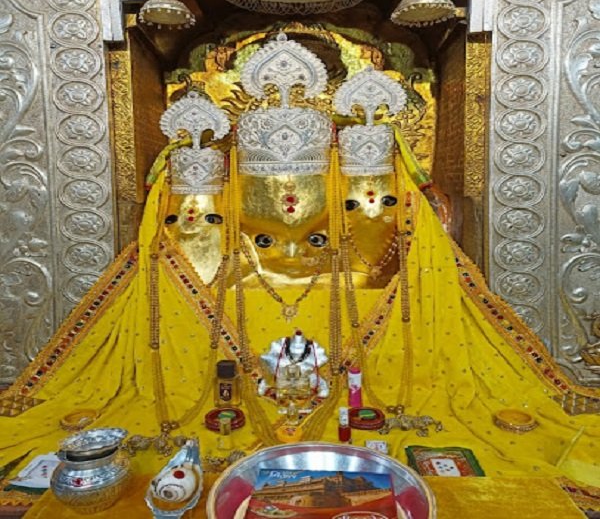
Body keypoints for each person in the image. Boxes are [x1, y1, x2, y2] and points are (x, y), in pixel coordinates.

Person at [1, 29, 599, 515]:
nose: (289, 203)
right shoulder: (207, 198)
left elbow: (374, 227)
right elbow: (200, 234)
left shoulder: (371, 192)